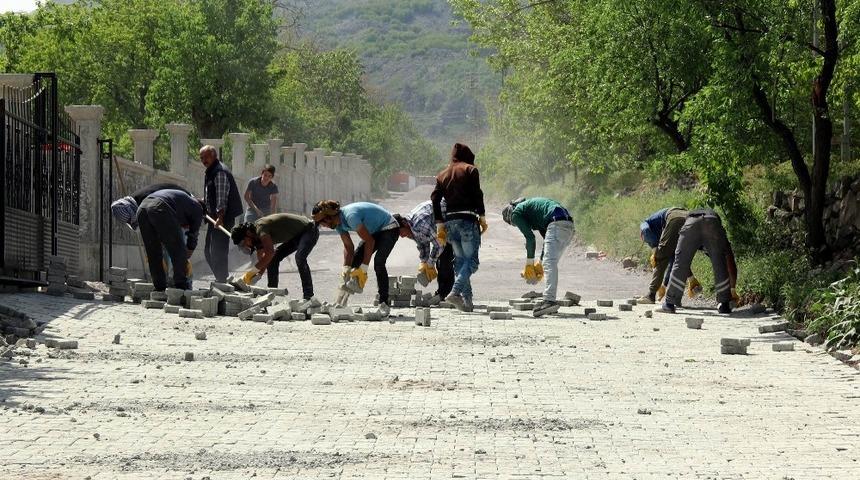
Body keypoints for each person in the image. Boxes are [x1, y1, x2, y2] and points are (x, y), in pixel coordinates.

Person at [313, 200, 399, 316]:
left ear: (328, 217)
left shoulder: (351, 216)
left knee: (378, 262)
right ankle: (341, 302)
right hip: (375, 231)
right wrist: (346, 269)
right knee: (355, 261)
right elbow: (349, 247)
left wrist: (363, 269)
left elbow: (369, 241)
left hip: (389, 227)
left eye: (321, 223)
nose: (322, 226)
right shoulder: (337, 224)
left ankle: (384, 304)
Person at [431, 143, 487, 312]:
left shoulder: (442, 175)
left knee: (461, 262)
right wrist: (482, 216)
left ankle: (467, 301)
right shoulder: (470, 170)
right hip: (467, 220)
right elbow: (478, 194)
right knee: (472, 261)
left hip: (450, 223)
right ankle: (455, 292)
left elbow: (434, 199)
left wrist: (440, 224)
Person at [502, 197, 575, 317]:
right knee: (549, 263)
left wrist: (529, 265)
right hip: (567, 225)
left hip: (556, 223)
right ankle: (549, 300)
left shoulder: (516, 213)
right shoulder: (537, 212)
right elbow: (546, 241)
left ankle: (549, 301)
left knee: (549, 263)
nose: (518, 225)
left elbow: (530, 239)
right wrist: (539, 264)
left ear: (510, 217)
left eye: (515, 225)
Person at [110, 183, 194, 285]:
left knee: (178, 250)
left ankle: (184, 286)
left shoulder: (145, 201)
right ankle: (167, 284)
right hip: (171, 210)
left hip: (184, 207)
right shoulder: (137, 202)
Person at [659, 208, 739, 314]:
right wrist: (732, 289)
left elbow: (681, 261)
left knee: (680, 261)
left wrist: (691, 278)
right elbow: (729, 260)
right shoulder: (716, 229)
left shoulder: (689, 223)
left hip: (692, 222)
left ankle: (669, 304)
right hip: (712, 222)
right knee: (720, 263)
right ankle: (724, 305)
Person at [230, 213, 319, 302]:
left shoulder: (261, 229)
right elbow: (264, 260)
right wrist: (258, 275)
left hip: (309, 230)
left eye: (243, 242)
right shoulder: (256, 237)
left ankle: (308, 296)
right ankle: (271, 295)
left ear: (248, 234)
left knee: (299, 258)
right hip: (296, 236)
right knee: (273, 260)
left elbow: (269, 253)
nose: (245, 245)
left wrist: (248, 275)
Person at [135, 189, 203, 291]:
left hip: (142, 208)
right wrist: (188, 250)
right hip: (160, 206)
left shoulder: (183, 202)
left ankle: (160, 288)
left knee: (153, 252)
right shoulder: (198, 208)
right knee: (179, 250)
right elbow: (193, 234)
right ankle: (181, 287)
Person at [396, 200, 454, 304]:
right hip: (438, 226)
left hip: (451, 218)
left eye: (401, 232)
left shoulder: (419, 225)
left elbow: (440, 244)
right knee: (439, 259)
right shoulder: (411, 228)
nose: (402, 236)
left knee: (443, 261)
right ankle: (443, 293)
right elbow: (423, 244)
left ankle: (446, 294)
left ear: (404, 224)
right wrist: (424, 262)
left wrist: (430, 263)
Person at [200, 145, 243, 283]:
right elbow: (211, 194)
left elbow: (222, 196)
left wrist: (220, 217)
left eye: (205, 157)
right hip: (214, 218)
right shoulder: (211, 171)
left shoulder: (220, 172)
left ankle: (222, 280)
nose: (203, 160)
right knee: (208, 251)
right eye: (201, 157)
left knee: (218, 250)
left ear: (213, 155)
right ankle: (221, 278)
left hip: (222, 218)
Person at [637, 207, 690, 304]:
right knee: (678, 259)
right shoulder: (662, 228)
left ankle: (650, 295)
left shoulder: (644, 225)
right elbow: (672, 260)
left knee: (660, 257)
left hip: (674, 217)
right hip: (690, 218)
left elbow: (646, 231)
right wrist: (664, 285)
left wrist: (654, 248)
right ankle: (675, 300)